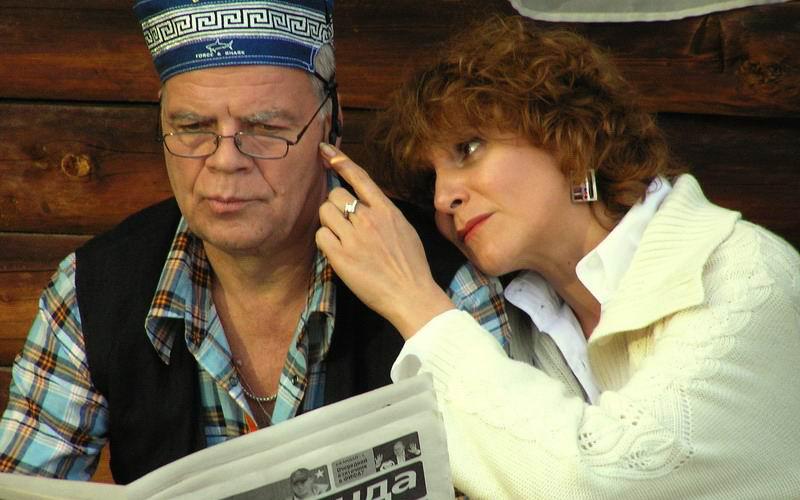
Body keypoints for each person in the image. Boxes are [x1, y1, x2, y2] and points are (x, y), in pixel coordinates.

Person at [0, 0, 507, 484]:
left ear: (330, 126)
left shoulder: (441, 283)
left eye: (264, 128)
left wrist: (418, 309)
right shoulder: (93, 292)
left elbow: (510, 469)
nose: (225, 161)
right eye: (192, 127)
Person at [315, 15, 800, 499]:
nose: (444, 198)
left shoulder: (743, 275)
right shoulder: (520, 321)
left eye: (468, 148)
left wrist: (415, 304)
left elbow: (602, 479)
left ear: (568, 135)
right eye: (432, 180)